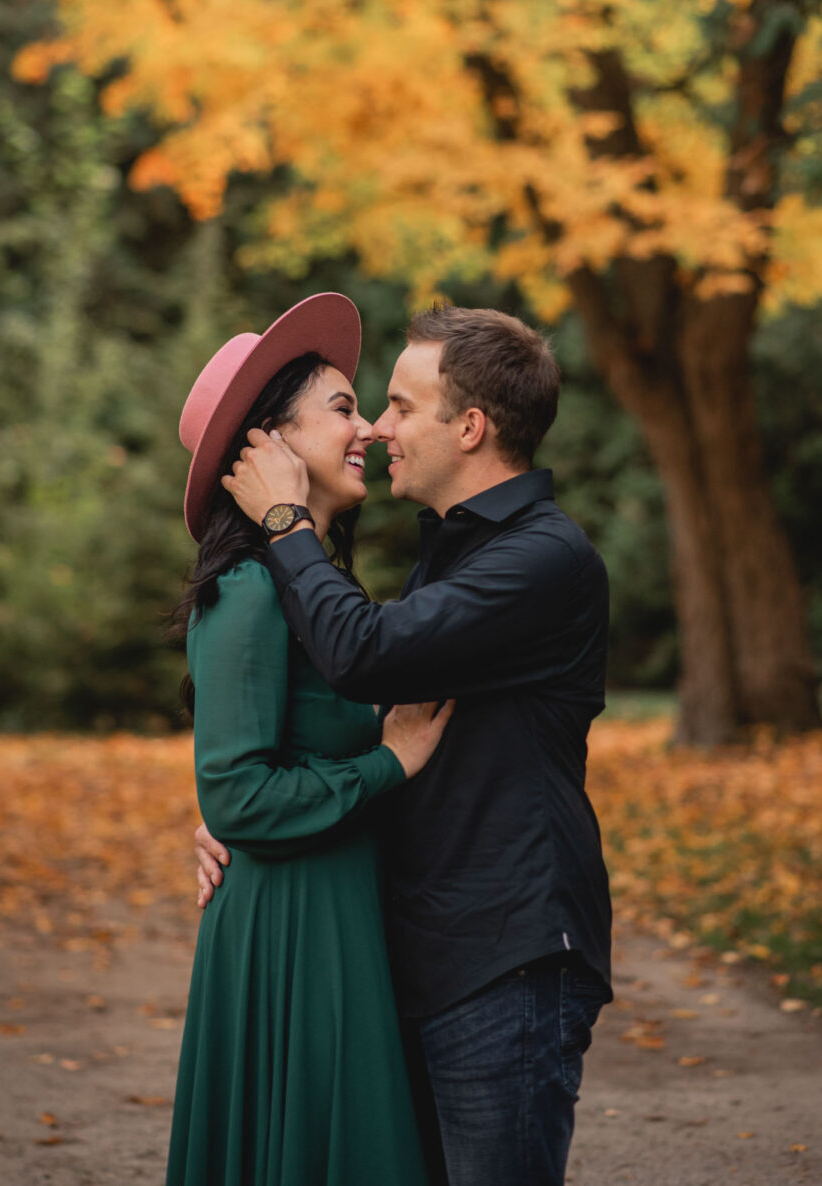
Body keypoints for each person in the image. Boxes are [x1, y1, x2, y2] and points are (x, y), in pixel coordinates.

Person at [198, 304, 613, 1186]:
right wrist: (249, 812)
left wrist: (286, 522)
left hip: (503, 957)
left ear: (470, 427)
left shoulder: (540, 557)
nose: (380, 428)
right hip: (421, 951)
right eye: (365, 406)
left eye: (398, 405)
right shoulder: (456, 553)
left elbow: (367, 656)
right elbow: (356, 725)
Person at [165, 293, 452, 1186]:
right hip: (291, 928)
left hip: (338, 907)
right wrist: (388, 762)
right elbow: (238, 796)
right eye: (342, 409)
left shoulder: (314, 585)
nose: (367, 428)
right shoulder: (248, 588)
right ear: (272, 443)